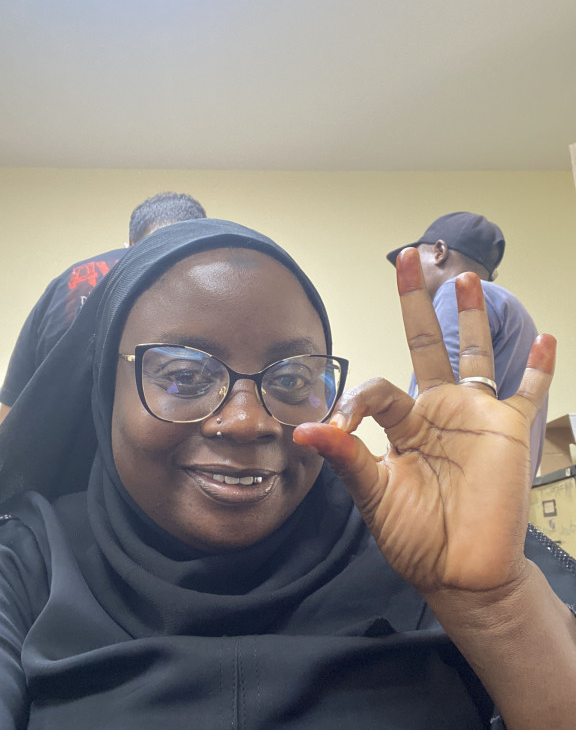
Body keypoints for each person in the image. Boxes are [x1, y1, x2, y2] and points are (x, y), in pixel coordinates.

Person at [0, 219, 574, 730]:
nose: (247, 422)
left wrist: (496, 609)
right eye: (182, 376)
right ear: (107, 390)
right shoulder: (29, 562)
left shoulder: (417, 545)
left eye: (292, 380)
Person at [0, 192, 207, 422]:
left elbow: (11, 403)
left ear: (128, 245)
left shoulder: (66, 283)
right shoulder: (207, 289)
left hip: (58, 439)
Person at [386, 211, 547, 480]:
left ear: (439, 251)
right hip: (505, 491)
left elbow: (435, 410)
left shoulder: (455, 292)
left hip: (456, 489)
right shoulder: (510, 308)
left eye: (417, 256)